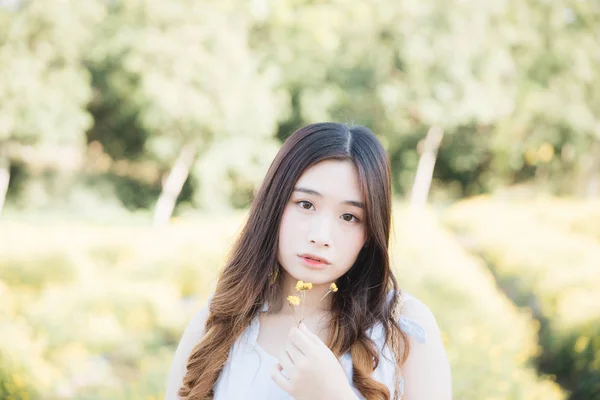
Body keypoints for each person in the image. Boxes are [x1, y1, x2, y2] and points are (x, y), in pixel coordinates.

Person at [165, 122, 452, 399]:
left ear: (370, 231)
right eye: (306, 204)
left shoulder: (404, 327)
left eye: (349, 217)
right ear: (274, 206)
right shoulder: (218, 322)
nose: (321, 236)